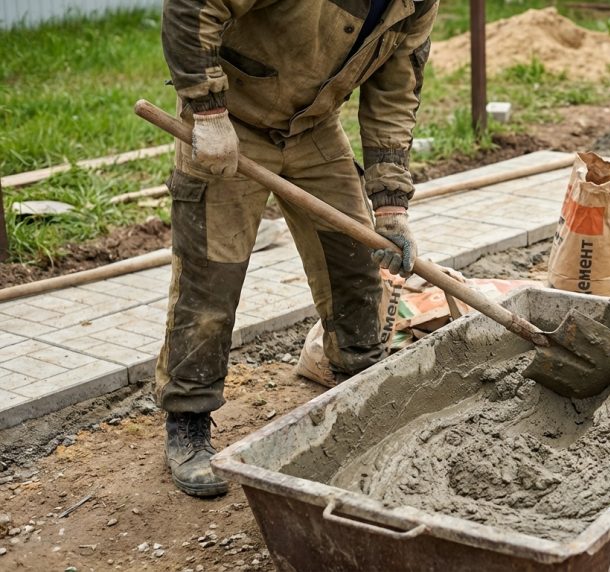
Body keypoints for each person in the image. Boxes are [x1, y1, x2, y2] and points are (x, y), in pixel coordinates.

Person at [157, 0, 437, 497]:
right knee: (211, 281)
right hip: (232, 121)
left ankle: (359, 378)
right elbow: (192, 6)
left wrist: (391, 205)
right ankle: (188, 420)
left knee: (354, 259)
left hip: (312, 127)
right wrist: (207, 109)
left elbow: (395, 90)